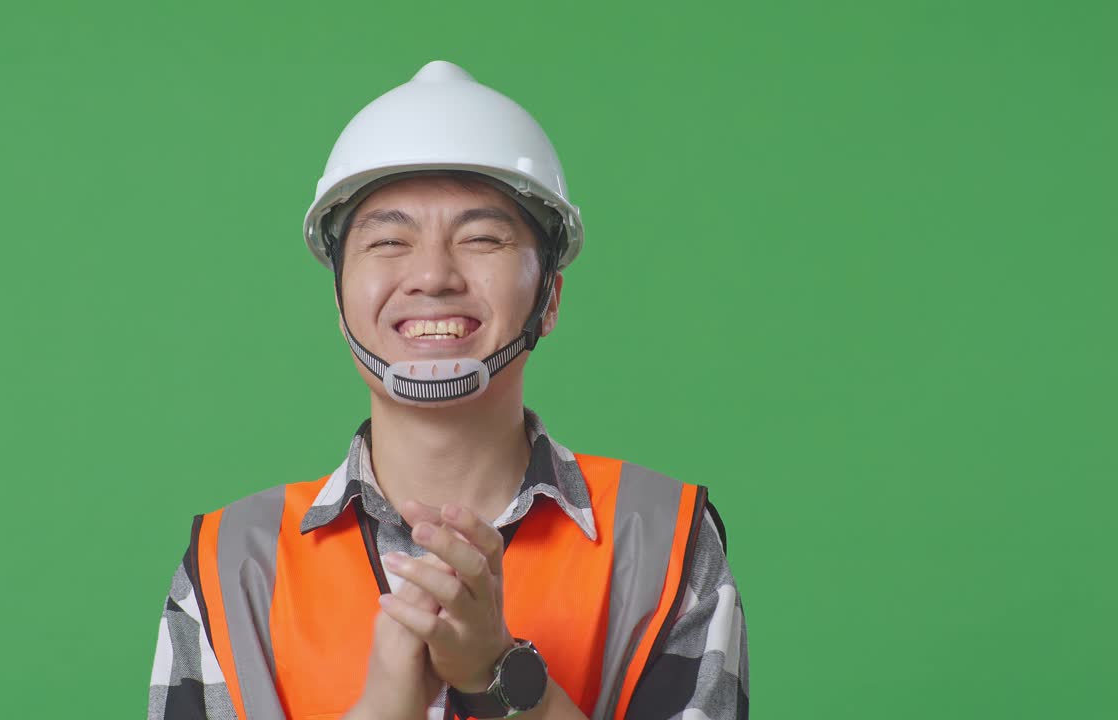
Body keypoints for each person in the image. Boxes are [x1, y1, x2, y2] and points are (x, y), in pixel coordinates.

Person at [148, 60, 749, 720]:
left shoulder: (664, 539)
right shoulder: (231, 563)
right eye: (388, 241)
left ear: (549, 297)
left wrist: (501, 678)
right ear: (340, 299)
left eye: (482, 237)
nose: (432, 275)